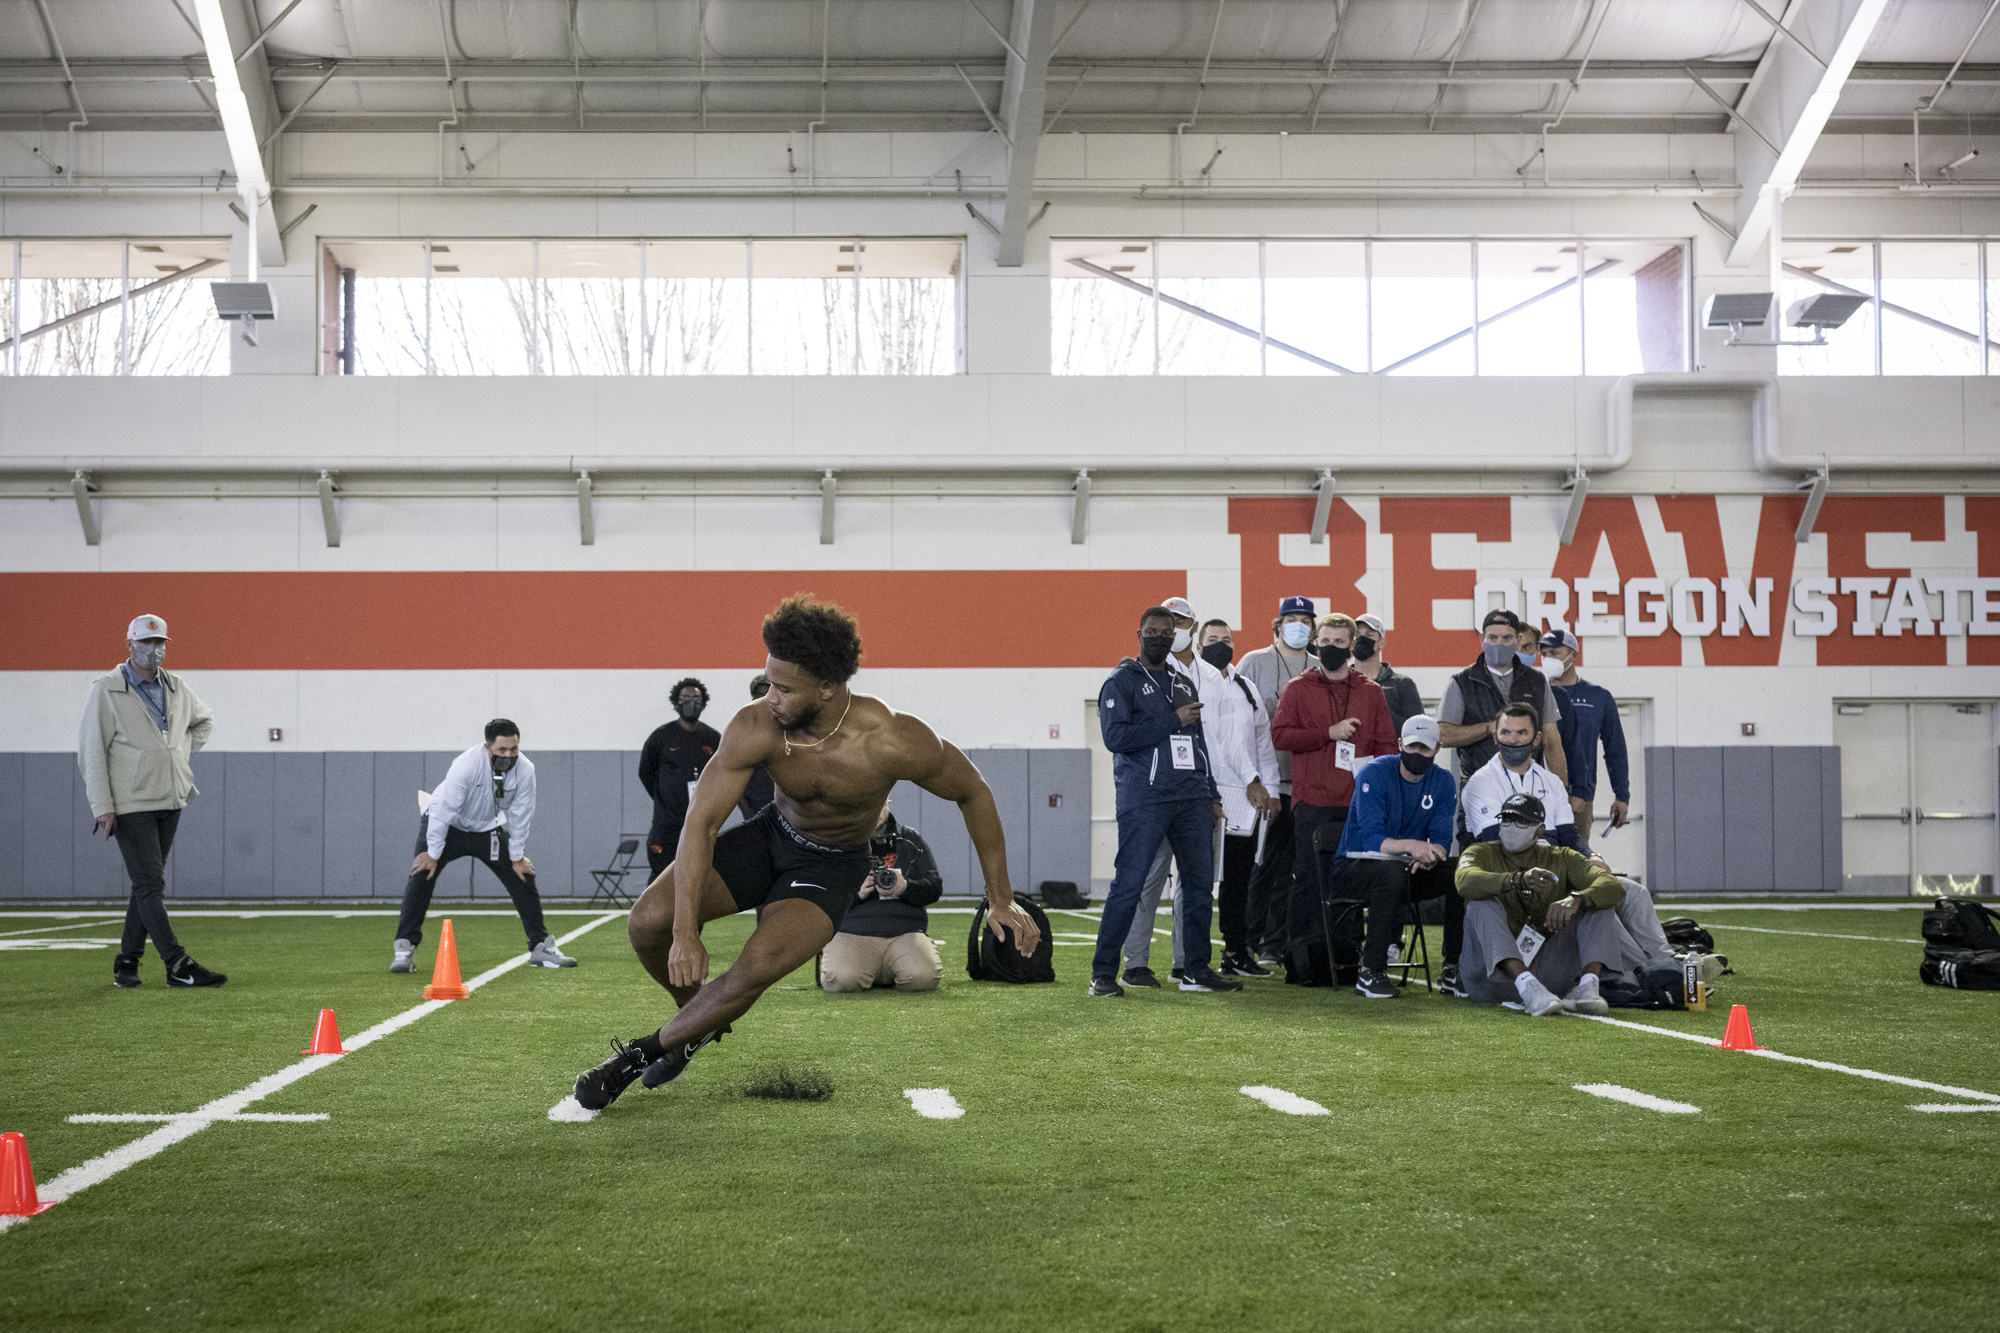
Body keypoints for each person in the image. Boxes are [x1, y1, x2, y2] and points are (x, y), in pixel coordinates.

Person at [573, 595, 1041, 1109]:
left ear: (826, 686)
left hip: (831, 864)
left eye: (783, 687)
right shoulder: (756, 727)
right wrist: (684, 931)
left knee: (752, 971)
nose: (768, 696)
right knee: (646, 923)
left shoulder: (893, 738)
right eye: (768, 681)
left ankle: (638, 1056)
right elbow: (700, 823)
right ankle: (697, 1023)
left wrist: (1001, 898)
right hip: (770, 835)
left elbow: (973, 791)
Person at [1116, 599, 1275, 988]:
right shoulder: (1142, 672)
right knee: (1149, 878)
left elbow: (1226, 739)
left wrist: (1252, 777)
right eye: (1167, 623)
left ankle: (1187, 964)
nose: (1173, 629)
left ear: (1190, 625)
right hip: (1155, 791)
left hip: (1201, 792)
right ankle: (1136, 964)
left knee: (1196, 883)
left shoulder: (1212, 676)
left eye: (1180, 622)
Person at [1086, 606, 1241, 997]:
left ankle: (1195, 970)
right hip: (1145, 798)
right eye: (1152, 631)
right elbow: (1115, 738)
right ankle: (1103, 974)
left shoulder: (1183, 681)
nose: (1159, 638)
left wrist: (1212, 792)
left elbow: (1199, 740)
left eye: (1166, 633)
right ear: (1138, 633)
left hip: (1192, 798)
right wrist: (1173, 720)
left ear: (1176, 637)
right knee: (1129, 884)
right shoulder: (1121, 681)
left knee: (1200, 887)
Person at [78, 614, 225, 989]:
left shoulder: (175, 686)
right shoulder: (106, 689)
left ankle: (127, 961)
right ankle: (177, 963)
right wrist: (102, 806)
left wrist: (176, 752)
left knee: (146, 885)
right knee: (150, 885)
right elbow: (91, 752)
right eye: (146, 642)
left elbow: (204, 721)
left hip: (171, 797)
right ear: (129, 645)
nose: (155, 649)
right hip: (131, 802)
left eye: (160, 643)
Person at [392, 720, 577, 973]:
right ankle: (404, 949)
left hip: (487, 828)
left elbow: (521, 815)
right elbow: (445, 810)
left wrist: (517, 856)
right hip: (448, 824)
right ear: (487, 746)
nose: (509, 755)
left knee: (522, 874)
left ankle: (541, 948)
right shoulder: (466, 765)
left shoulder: (525, 769)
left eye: (514, 749)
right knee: (422, 872)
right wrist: (433, 853)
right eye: (502, 750)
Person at [1269, 612, 1395, 983]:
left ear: (1353, 645)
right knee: (1308, 881)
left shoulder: (1371, 693)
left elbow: (1387, 746)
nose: (1331, 648)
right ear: (1315, 641)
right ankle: (1302, 964)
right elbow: (1281, 737)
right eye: (1325, 641)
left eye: (1340, 643)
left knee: (1351, 882)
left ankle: (1346, 959)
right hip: (1311, 800)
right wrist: (1327, 732)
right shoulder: (1297, 689)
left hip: (1357, 803)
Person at [1455, 793, 1639, 1016]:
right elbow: (1464, 881)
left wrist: (1576, 899)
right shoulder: (1480, 852)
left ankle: (1587, 988)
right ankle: (1527, 986)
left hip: (1546, 976)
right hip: (1489, 979)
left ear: (1540, 830)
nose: (1511, 826)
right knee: (1481, 903)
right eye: (1506, 819)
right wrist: (1516, 880)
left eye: (1521, 821)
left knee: (1596, 901)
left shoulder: (1562, 857)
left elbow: (1611, 885)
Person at [1327, 716, 1462, 999]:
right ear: (1400, 744)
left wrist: (1431, 856)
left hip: (1405, 870)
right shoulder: (1374, 773)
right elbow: (1372, 840)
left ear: (1437, 748)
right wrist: (1414, 847)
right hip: (1355, 868)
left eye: (1424, 748)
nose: (1416, 754)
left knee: (1460, 872)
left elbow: (1441, 840)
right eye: (1411, 746)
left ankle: (1453, 967)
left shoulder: (1443, 781)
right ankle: (1369, 972)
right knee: (1390, 875)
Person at [1195, 618, 1282, 977]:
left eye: (1226, 639)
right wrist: (1250, 780)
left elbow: (1262, 741)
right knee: (1198, 879)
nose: (1220, 644)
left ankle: (1234, 951)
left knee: (1238, 878)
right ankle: (1188, 960)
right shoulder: (1194, 683)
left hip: (1246, 801)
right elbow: (1217, 744)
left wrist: (1271, 789)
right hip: (1205, 793)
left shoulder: (1246, 687)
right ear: (1199, 646)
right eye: (1213, 639)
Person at [1237, 595, 1319, 966]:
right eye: (1292, 618)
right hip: (1263, 784)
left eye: (1305, 619)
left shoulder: (1319, 667)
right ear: (1278, 624)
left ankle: (1277, 941)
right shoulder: (1254, 662)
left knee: (1291, 866)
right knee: (1259, 867)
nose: (1298, 625)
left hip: (1302, 783)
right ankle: (1247, 939)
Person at [1438, 609, 1567, 797]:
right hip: (1479, 787)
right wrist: (1489, 728)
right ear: (1482, 638)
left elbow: (1552, 740)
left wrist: (1561, 791)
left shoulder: (1537, 681)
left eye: (1507, 638)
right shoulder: (1462, 682)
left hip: (1529, 787)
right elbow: (1443, 735)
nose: (1499, 644)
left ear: (1518, 640)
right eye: (1492, 638)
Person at [820, 801, 945, 993]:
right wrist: (855, 893)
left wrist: (906, 887)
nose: (875, 810)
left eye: (880, 803)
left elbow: (935, 887)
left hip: (905, 932)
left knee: (923, 979)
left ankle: (879, 970)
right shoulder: (839, 842)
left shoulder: (910, 839)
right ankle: (872, 970)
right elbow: (822, 895)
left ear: (888, 802)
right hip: (852, 932)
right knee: (842, 981)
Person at [1540, 629, 1631, 851]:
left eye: (1554, 652)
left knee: (1576, 859)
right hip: (1539, 793)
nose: (1547, 659)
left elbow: (1615, 749)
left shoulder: (1598, 697)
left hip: (1579, 798)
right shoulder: (1536, 693)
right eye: (1543, 653)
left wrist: (1622, 795)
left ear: (1573, 654)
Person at [1461, 703, 1584, 851]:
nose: (1513, 740)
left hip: (1551, 866)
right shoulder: (1480, 783)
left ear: (1537, 738)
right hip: (1504, 871)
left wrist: (1591, 856)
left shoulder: (1553, 782)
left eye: (1522, 732)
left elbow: (1568, 834)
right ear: (1495, 737)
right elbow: (1495, 840)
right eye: (1505, 732)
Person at [639, 678, 722, 880]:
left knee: (696, 878)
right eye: (685, 698)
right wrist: (665, 799)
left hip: (700, 822)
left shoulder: (714, 738)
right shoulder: (661, 737)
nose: (691, 703)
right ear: (676, 702)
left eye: (696, 698)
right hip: (666, 823)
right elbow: (645, 773)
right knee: (661, 878)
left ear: (704, 702)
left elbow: (722, 776)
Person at [1350, 613, 1424, 736]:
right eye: (1357, 635)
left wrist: (1380, 713)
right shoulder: (1342, 681)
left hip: (1391, 753)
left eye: (1369, 635)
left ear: (1381, 643)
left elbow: (1418, 730)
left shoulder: (1402, 684)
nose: (1361, 639)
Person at [738, 674, 777, 820]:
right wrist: (746, 811)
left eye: (767, 694)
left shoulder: (789, 729)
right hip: (755, 810)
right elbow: (735, 773)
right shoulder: (742, 732)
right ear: (752, 698)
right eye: (759, 695)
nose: (763, 699)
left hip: (784, 810)